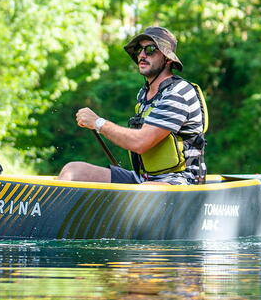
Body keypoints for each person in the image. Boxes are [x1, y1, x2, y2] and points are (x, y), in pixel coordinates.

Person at [58, 26, 208, 185]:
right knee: (73, 171)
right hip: (144, 179)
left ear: (168, 58)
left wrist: (97, 123)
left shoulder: (178, 93)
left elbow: (140, 143)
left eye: (150, 49)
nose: (142, 55)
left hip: (182, 182)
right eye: (139, 50)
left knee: (145, 190)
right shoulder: (144, 93)